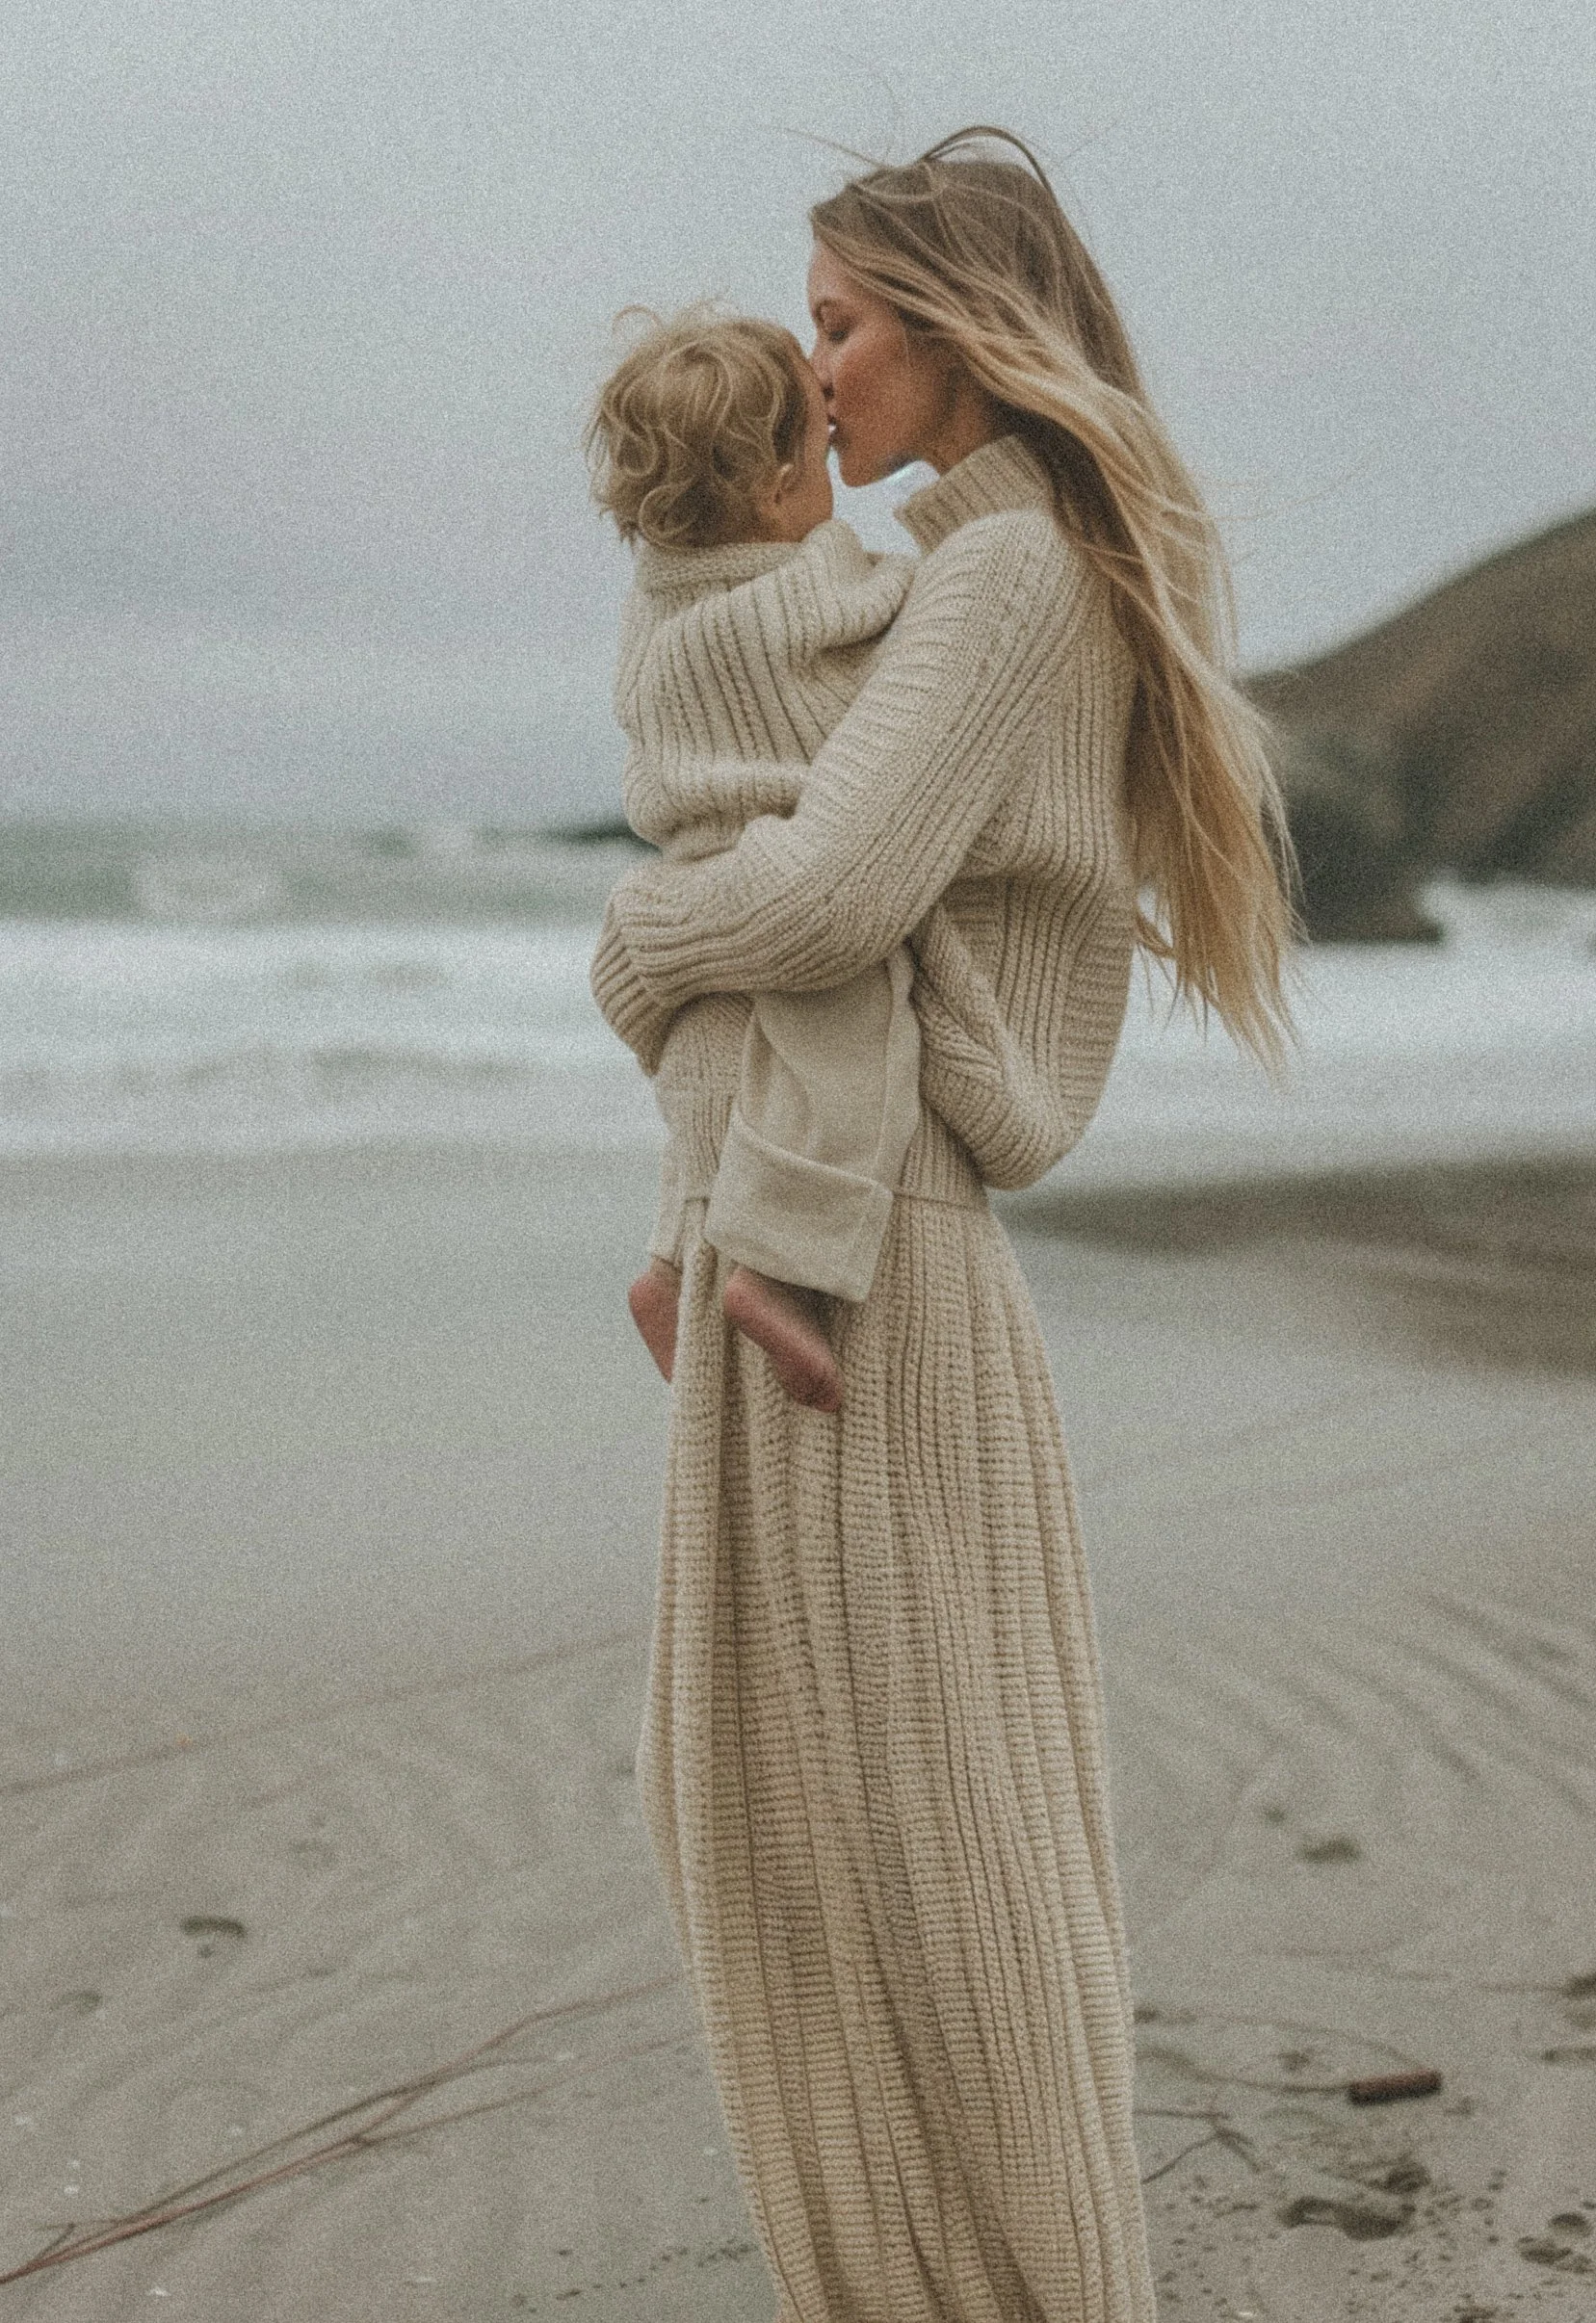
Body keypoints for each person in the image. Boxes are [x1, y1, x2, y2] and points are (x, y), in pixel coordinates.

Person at [590, 126, 1294, 2323]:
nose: (811, 374)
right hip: (840, 1230)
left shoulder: (996, 584)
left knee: (901, 1846)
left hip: (864, 1250)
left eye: (839, 322)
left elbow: (825, 895)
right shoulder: (979, 572)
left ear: (957, 327)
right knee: (855, 1822)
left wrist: (629, 944)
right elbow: (828, 891)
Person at [586, 307, 924, 1413]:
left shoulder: (654, 607)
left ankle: (667, 1268)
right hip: (773, 914)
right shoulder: (802, 595)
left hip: (690, 932)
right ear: (777, 493)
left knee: (700, 1139)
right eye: (819, 455)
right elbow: (898, 616)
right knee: (849, 1066)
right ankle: (779, 1272)